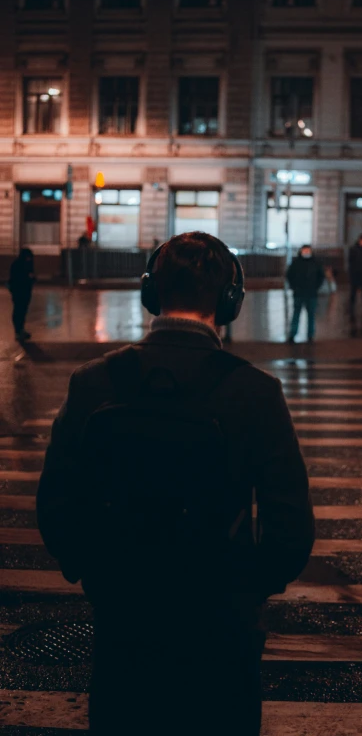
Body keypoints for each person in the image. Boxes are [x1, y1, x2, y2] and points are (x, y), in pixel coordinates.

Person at [37, 231, 315, 736]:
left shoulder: (94, 382)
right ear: (230, 301)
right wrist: (245, 592)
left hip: (124, 622)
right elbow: (291, 529)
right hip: (220, 629)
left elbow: (56, 506)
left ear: (150, 292)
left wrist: (97, 578)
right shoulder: (255, 392)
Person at [286, 244, 325, 343]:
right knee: (296, 314)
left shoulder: (315, 263)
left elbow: (321, 276)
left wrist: (316, 287)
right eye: (305, 250)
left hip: (311, 294)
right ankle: (293, 334)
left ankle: (310, 335)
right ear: (301, 251)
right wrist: (294, 287)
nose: (306, 252)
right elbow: (289, 275)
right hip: (299, 293)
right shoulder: (296, 263)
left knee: (311, 315)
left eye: (308, 250)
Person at [8, 247, 36, 341]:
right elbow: (15, 279)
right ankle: (18, 330)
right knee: (18, 311)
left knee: (23, 311)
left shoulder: (27, 264)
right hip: (18, 291)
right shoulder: (17, 265)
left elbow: (32, 276)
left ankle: (21, 330)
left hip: (26, 291)